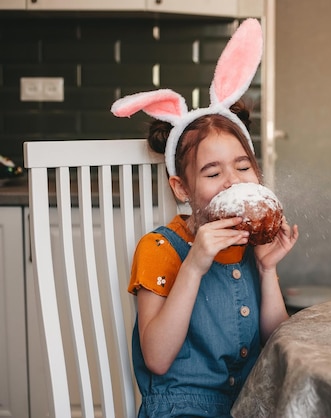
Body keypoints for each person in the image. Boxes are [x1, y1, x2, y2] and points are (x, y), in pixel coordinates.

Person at [111, 19, 298, 417]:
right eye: (212, 174)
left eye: (243, 167)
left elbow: (279, 342)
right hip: (182, 408)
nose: (232, 182)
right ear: (182, 189)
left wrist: (267, 272)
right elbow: (158, 359)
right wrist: (194, 264)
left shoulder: (250, 246)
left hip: (248, 405)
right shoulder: (160, 248)